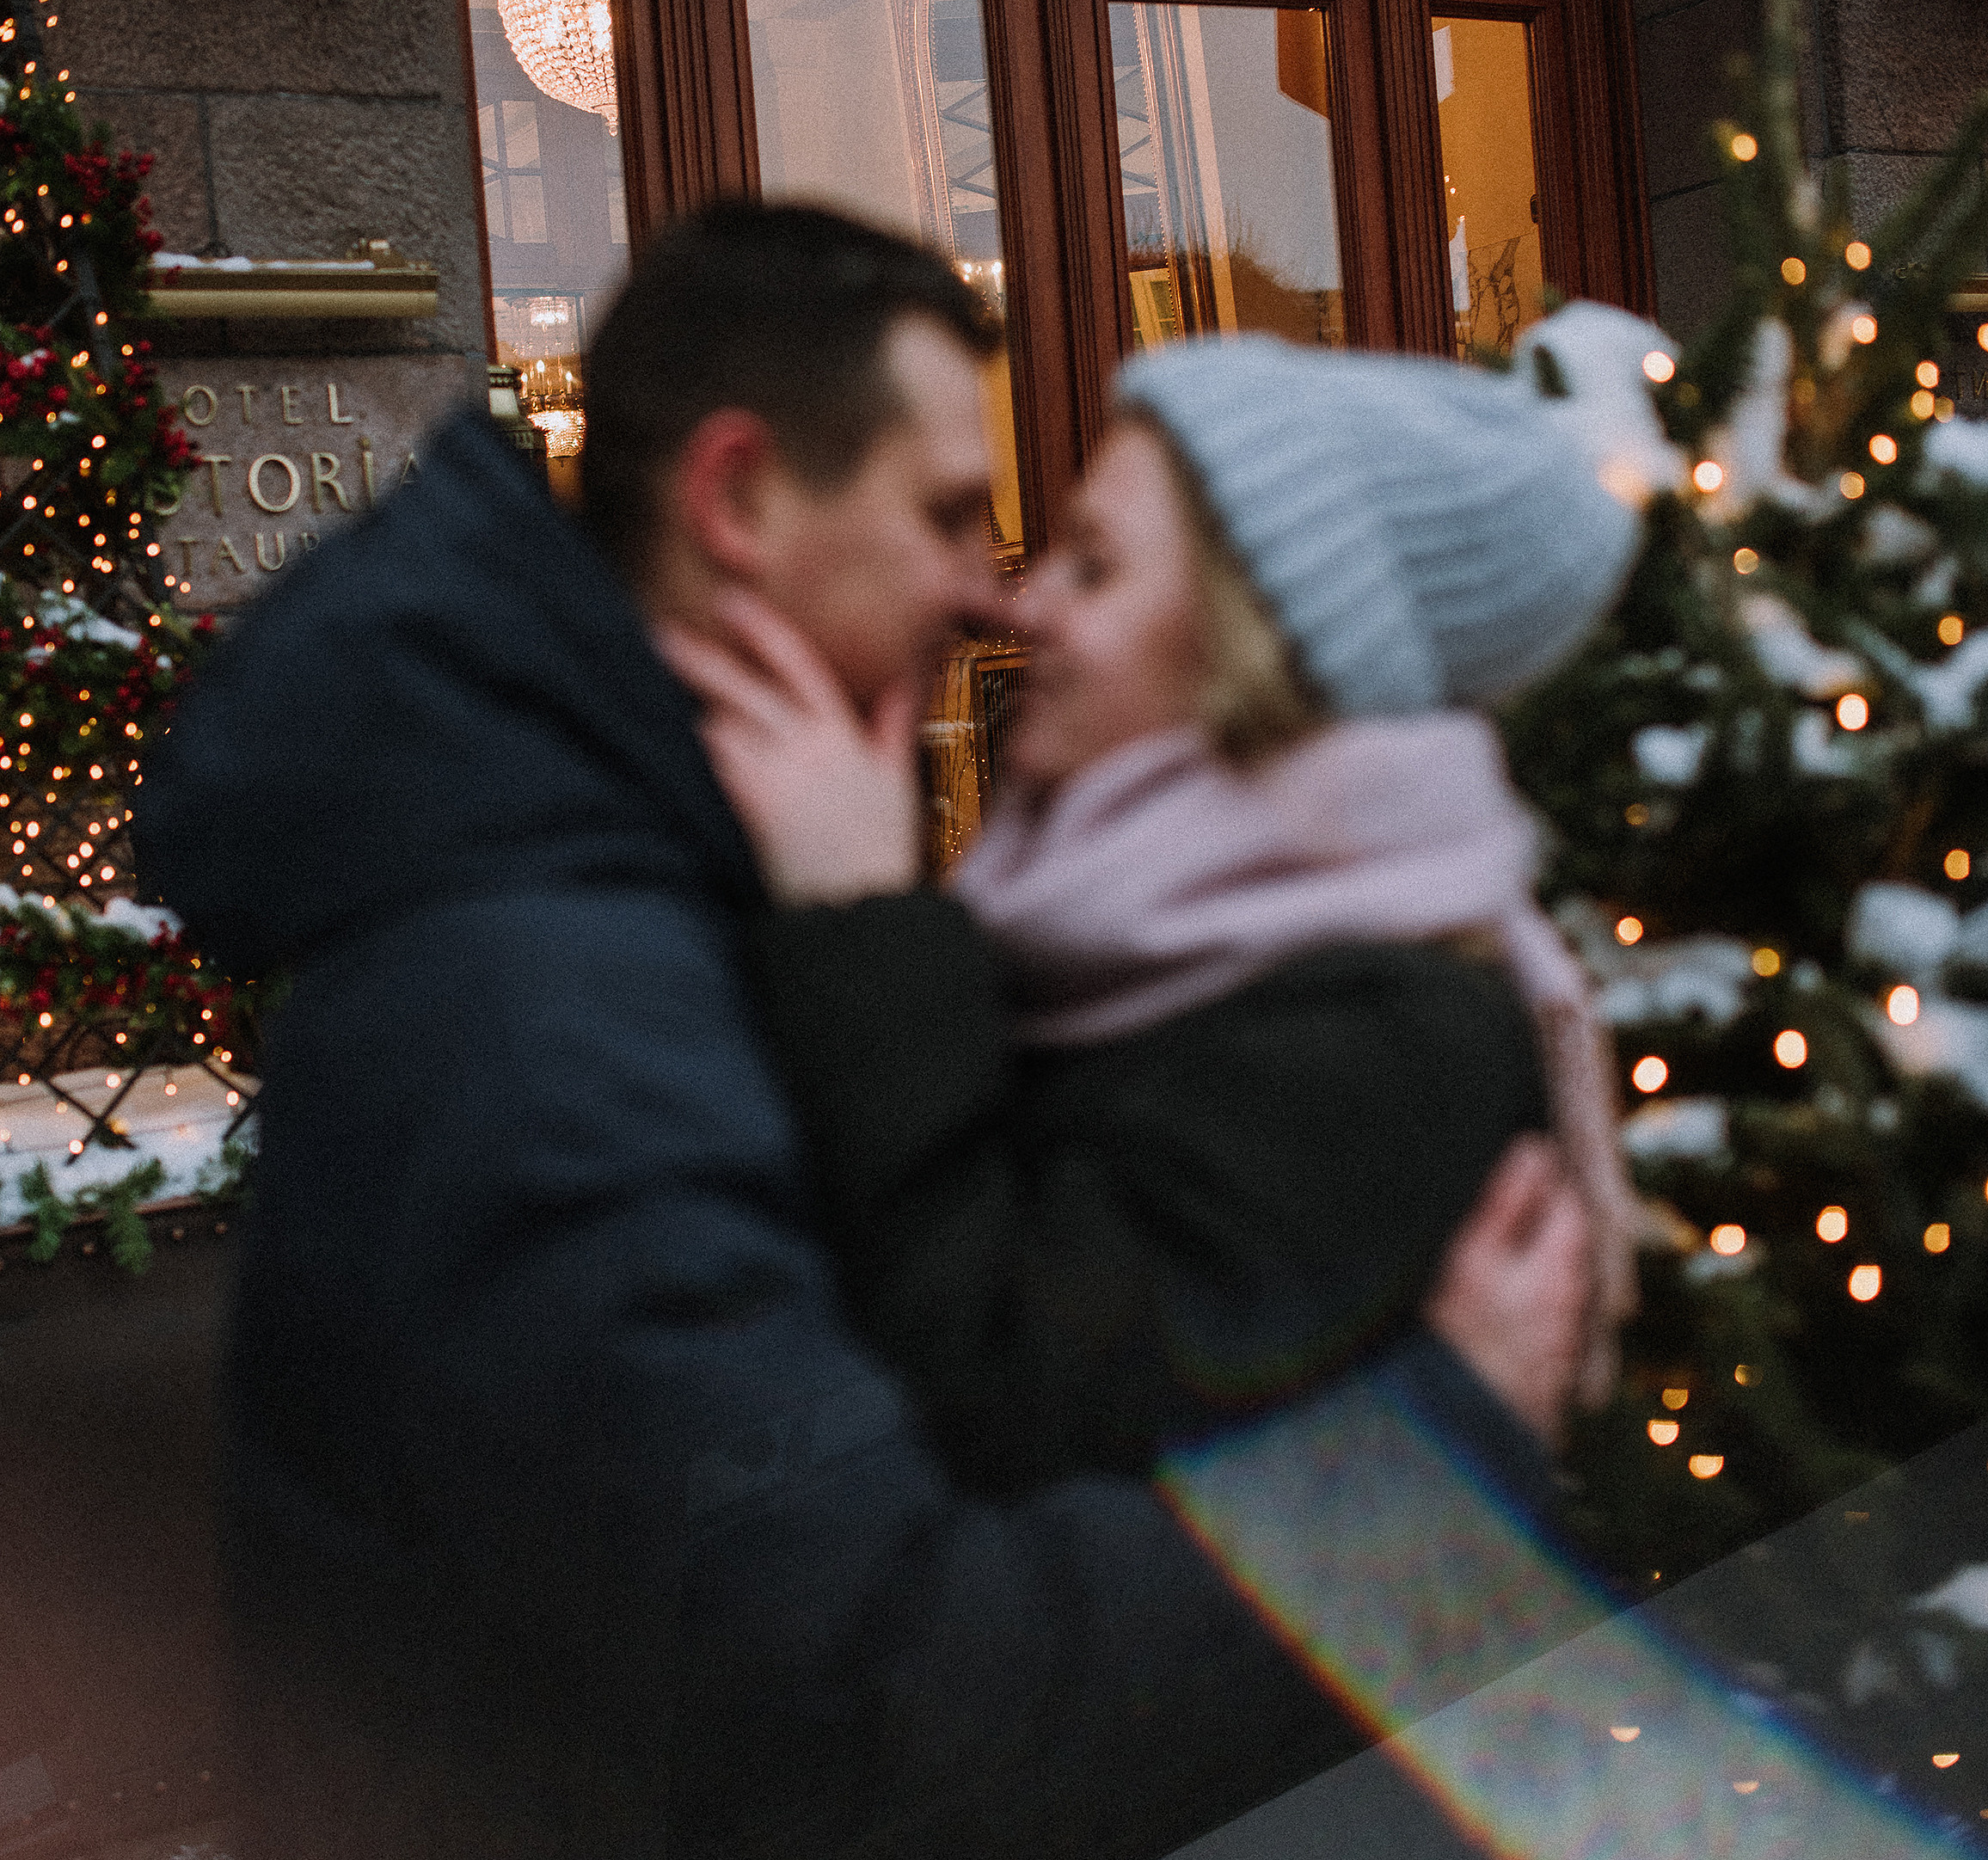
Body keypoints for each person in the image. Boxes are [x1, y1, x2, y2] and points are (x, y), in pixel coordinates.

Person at [134, 202, 1594, 1860]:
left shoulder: (617, 903)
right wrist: (1438, 1475)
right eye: (949, 512)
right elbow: (873, 1682)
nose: (997, 590)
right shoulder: (554, 1003)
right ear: (742, 499)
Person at [662, 331, 1645, 1505]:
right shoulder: (1105, 936)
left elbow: (1014, 1423)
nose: (1025, 607)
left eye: (1094, 566)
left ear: (1248, 644)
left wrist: (860, 924)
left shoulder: (1389, 1037)